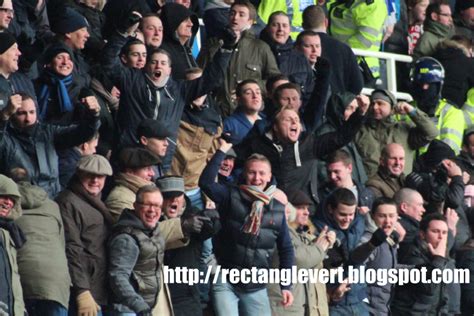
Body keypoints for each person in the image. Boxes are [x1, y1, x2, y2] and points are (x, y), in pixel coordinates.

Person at [102, 12, 232, 171]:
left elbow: (212, 79)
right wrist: (122, 33)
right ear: (146, 66)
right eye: (154, 62)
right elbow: (108, 62)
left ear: (169, 70)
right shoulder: (131, 80)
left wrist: (226, 49)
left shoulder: (180, 89)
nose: (158, 66)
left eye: (163, 63)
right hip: (129, 155)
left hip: (161, 161)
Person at [199, 144, 295, 315]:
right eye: (252, 172)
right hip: (226, 279)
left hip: (256, 285)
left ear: (269, 176)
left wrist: (286, 285)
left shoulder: (278, 209)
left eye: (262, 173)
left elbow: (286, 249)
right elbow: (206, 183)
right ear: (244, 173)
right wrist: (222, 150)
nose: (257, 178)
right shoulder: (230, 195)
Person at [236, 97, 369, 212]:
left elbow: (340, 137)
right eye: (288, 120)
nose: (294, 123)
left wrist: (360, 113)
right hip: (270, 208)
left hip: (304, 211)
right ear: (275, 127)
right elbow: (235, 161)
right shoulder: (258, 145)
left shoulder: (308, 144)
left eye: (297, 120)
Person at [0, 91, 100, 198]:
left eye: (32, 112)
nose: (28, 119)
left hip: (52, 199)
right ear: (11, 114)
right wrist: (3, 116)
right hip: (22, 201)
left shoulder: (47, 132)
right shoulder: (6, 137)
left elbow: (81, 134)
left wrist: (93, 115)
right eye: (22, 113)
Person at [197, 0, 280, 116]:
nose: (235, 18)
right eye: (232, 13)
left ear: (250, 22)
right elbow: (199, 74)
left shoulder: (261, 48)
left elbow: (274, 80)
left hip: (250, 115)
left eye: (241, 14)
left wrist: (252, 87)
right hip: (216, 112)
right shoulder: (213, 45)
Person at [56, 154, 114, 316]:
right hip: (83, 292)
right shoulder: (68, 202)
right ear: (79, 174)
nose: (95, 180)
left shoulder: (97, 201)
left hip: (99, 290)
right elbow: (71, 249)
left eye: (100, 176)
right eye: (90, 175)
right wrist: (82, 291)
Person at [157, 176, 219, 316]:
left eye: (177, 196)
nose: (173, 200)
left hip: (187, 294)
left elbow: (209, 229)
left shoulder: (194, 215)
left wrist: (212, 219)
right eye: (168, 196)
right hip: (160, 294)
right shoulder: (151, 218)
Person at [268, 189, 335, 316]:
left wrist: (323, 243)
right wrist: (319, 247)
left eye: (307, 208)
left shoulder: (307, 236)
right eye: (300, 208)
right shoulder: (277, 231)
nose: (306, 212)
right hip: (282, 305)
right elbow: (298, 258)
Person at [14, 171, 71, 316]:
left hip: (23, 276)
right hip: (56, 279)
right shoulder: (52, 205)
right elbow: (61, 243)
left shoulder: (7, 207)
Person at [108, 185, 170, 316]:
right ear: (135, 206)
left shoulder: (153, 231)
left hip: (143, 308)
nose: (152, 210)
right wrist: (139, 306)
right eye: (147, 204)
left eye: (157, 206)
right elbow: (117, 276)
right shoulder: (126, 238)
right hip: (127, 310)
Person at [354, 89, 438, 177]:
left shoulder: (404, 129)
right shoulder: (361, 130)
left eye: (380, 103)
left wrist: (412, 111)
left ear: (391, 107)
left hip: (401, 187)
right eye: (372, 103)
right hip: (371, 187)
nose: (375, 107)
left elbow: (431, 132)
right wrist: (359, 112)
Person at [312, 188, 367, 315]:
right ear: (331, 209)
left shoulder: (359, 224)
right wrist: (333, 289)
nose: (347, 219)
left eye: (351, 214)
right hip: (334, 304)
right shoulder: (317, 231)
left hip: (359, 300)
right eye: (342, 214)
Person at [390, 213, 451, 315]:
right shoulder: (412, 255)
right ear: (422, 234)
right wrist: (439, 259)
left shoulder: (441, 257)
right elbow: (429, 288)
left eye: (444, 233)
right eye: (435, 231)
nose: (441, 237)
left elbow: (442, 296)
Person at [350, 197, 401, 316]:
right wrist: (372, 244)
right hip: (368, 310)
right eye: (382, 216)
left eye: (391, 216)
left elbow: (387, 268)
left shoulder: (390, 239)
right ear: (373, 216)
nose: (388, 221)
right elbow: (355, 263)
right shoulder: (368, 239)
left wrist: (417, 269)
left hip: (383, 309)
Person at [302, 4, 363, 95]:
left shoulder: (298, 48)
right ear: (326, 22)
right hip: (337, 105)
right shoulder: (344, 49)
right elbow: (357, 85)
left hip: (307, 104)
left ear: (303, 26)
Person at [410, 56, 466, 154]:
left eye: (429, 84)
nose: (424, 88)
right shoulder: (405, 110)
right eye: (420, 84)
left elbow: (448, 152)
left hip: (437, 168)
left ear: (438, 86)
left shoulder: (452, 113)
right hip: (404, 166)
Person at [259, 11, 313, 103]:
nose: (280, 29)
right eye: (275, 25)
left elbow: (310, 90)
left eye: (284, 26)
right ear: (267, 28)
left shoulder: (300, 58)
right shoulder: (257, 52)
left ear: (290, 30)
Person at [328, 0, 387, 81]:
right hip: (340, 61)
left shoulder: (373, 4)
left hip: (361, 64)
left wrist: (337, 51)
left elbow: (364, 40)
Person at [318, 149, 374, 215]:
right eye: (329, 172)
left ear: (349, 168)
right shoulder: (321, 194)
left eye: (336, 172)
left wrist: (368, 216)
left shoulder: (367, 194)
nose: (332, 176)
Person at [0, 174, 25, 316]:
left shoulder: (9, 232)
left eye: (12, 199)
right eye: (3, 196)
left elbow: (13, 276)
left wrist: (21, 309)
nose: (8, 202)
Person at [160, 3, 199, 80]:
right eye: (185, 20)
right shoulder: (163, 52)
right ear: (173, 23)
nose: (191, 24)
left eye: (191, 20)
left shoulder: (187, 50)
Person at [223, 79, 266, 144]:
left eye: (258, 92)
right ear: (239, 100)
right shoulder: (229, 124)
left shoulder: (267, 121)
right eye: (248, 93)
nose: (255, 96)